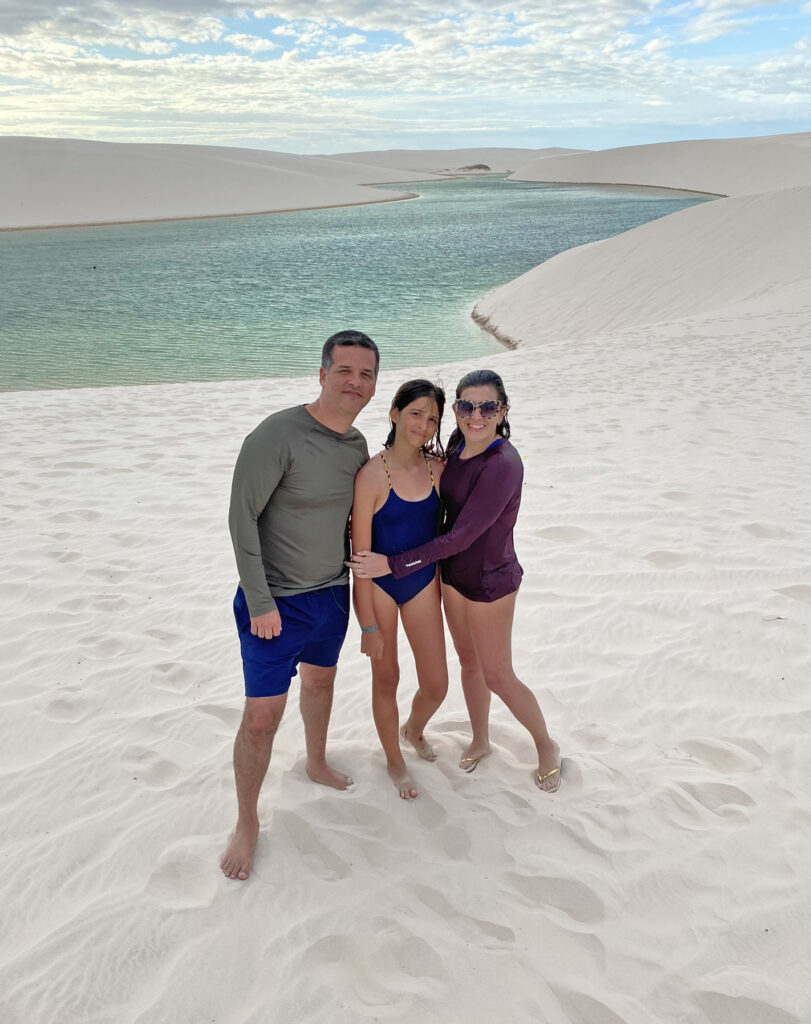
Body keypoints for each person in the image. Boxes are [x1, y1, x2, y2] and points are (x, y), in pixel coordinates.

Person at [347, 369, 561, 793]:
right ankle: (478, 740)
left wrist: (395, 564)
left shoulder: (500, 464)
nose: (475, 415)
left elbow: (460, 534)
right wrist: (369, 618)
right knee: (468, 664)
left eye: (487, 407)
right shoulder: (457, 449)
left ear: (502, 410)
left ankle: (547, 746)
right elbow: (374, 545)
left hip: (485, 581)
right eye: (466, 406)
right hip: (449, 578)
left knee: (495, 674)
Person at [220, 329, 379, 881]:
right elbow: (242, 519)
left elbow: (351, 519)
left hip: (330, 597)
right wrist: (261, 602)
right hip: (273, 605)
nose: (355, 383)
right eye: (345, 371)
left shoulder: (356, 445)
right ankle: (246, 823)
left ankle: (315, 761)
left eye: (366, 375)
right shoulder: (278, 434)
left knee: (321, 683)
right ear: (322, 374)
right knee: (262, 717)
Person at [351, 380, 449, 800]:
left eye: (433, 419)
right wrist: (368, 626)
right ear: (394, 413)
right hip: (380, 588)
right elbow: (359, 562)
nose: (424, 425)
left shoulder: (438, 469)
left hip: (423, 582)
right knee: (386, 676)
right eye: (416, 414)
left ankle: (414, 728)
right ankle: (394, 759)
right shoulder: (372, 475)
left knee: (437, 684)